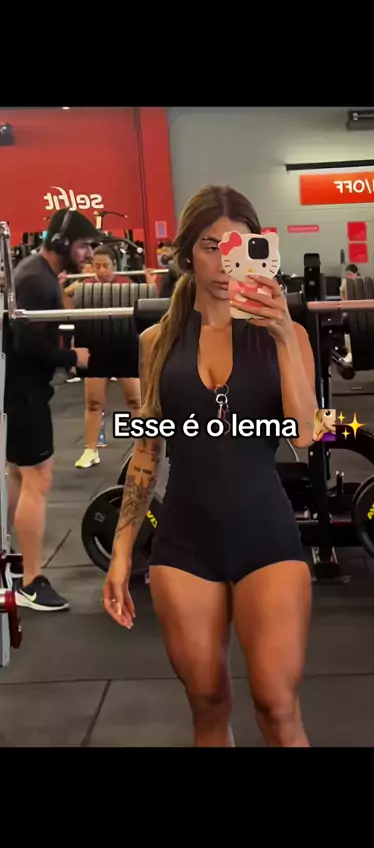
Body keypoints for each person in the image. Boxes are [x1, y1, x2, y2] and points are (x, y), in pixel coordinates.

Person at [103, 184, 318, 748]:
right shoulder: (157, 341)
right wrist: (122, 552)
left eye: (237, 246)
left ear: (259, 249)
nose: (224, 262)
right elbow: (147, 450)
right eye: (209, 246)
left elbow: (304, 433)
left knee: (277, 707)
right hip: (185, 546)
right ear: (186, 255)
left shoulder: (287, 335)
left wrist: (282, 335)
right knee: (208, 705)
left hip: (266, 538)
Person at [6, 208, 98, 611]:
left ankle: (8, 561)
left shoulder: (37, 274)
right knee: (37, 477)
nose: (89, 253)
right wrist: (71, 357)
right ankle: (30, 582)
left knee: (17, 476)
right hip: (23, 394)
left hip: (19, 392)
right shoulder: (35, 280)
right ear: (61, 243)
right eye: (84, 245)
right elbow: (23, 345)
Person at [74, 245, 141, 468]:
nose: (101, 271)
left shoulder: (127, 285)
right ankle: (90, 450)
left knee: (135, 401)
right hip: (97, 348)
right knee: (94, 403)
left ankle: (142, 448)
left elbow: (143, 315)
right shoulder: (85, 287)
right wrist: (62, 288)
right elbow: (70, 313)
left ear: (115, 265)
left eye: (106, 266)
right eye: (97, 266)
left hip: (124, 347)